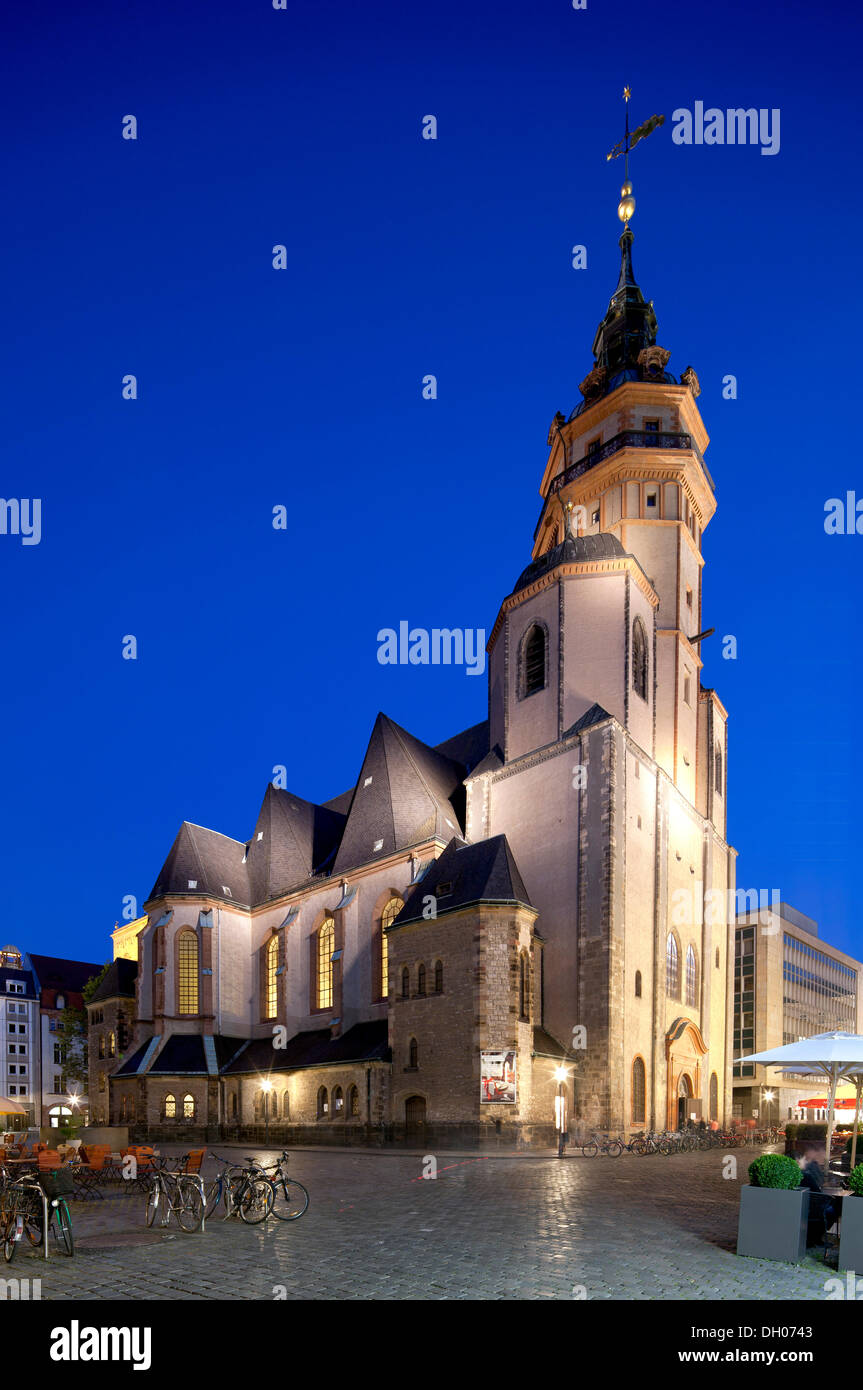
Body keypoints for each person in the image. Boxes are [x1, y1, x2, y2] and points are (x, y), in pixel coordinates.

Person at [799, 1144, 837, 1248]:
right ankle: (816, 1237)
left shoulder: (802, 1172)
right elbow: (818, 1190)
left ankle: (814, 1237)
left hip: (805, 1206)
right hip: (815, 1207)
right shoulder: (808, 1174)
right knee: (834, 1210)